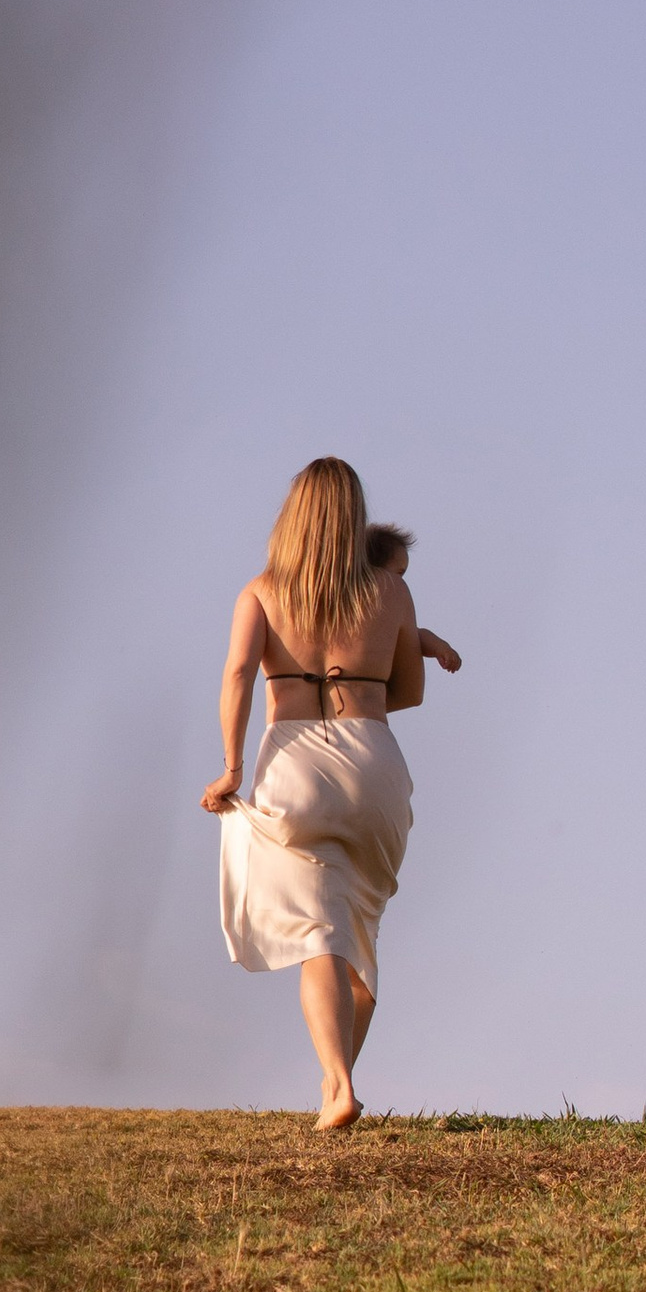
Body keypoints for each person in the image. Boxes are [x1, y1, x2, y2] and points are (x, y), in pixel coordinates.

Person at [202, 456, 461, 1132]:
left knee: (321, 936)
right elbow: (409, 692)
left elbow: (236, 676)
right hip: (372, 763)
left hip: (292, 763)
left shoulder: (258, 592)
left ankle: (339, 1081)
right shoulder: (391, 593)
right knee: (359, 931)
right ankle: (335, 1085)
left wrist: (231, 767)